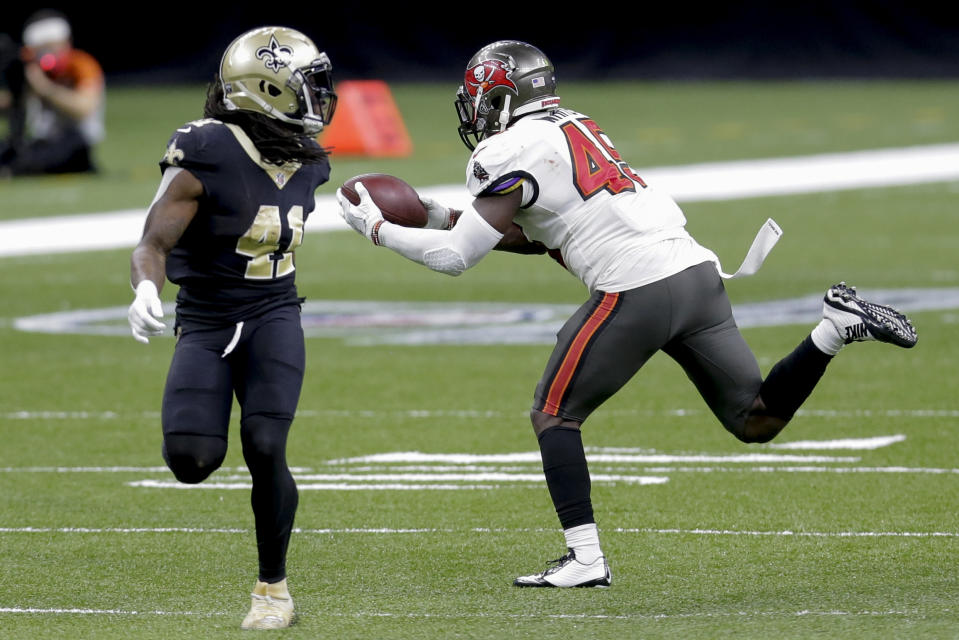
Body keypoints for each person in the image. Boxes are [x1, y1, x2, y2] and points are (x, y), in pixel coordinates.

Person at [337, 40, 918, 589]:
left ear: (501, 98)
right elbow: (542, 233)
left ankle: (586, 560)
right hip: (696, 275)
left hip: (637, 289)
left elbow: (455, 258)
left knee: (553, 415)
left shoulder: (506, 149)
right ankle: (833, 328)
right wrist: (441, 214)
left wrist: (380, 229)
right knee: (755, 419)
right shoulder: (577, 126)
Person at [126, 26, 337, 628]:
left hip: (275, 313)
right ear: (266, 90)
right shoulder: (207, 147)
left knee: (266, 445)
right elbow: (152, 241)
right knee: (191, 459)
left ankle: (273, 591)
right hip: (208, 319)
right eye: (307, 87)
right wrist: (146, 286)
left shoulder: (308, 158)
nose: (320, 99)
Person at [0, 10, 105, 176]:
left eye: (52, 46)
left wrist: (46, 89)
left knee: (40, 157)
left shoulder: (81, 65)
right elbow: (15, 105)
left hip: (76, 142)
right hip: (42, 141)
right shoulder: (32, 69)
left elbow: (84, 108)